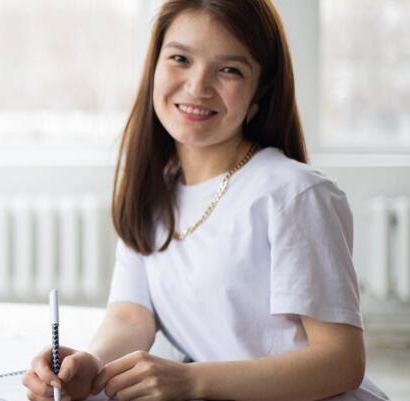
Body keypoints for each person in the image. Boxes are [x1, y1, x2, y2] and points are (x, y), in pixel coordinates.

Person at [24, 0, 389, 400]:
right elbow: (132, 314)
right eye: (180, 58)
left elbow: (342, 361)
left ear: (259, 93)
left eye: (230, 69)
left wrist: (192, 380)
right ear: (154, 66)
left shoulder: (293, 194)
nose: (198, 86)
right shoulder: (153, 189)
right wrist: (91, 366)